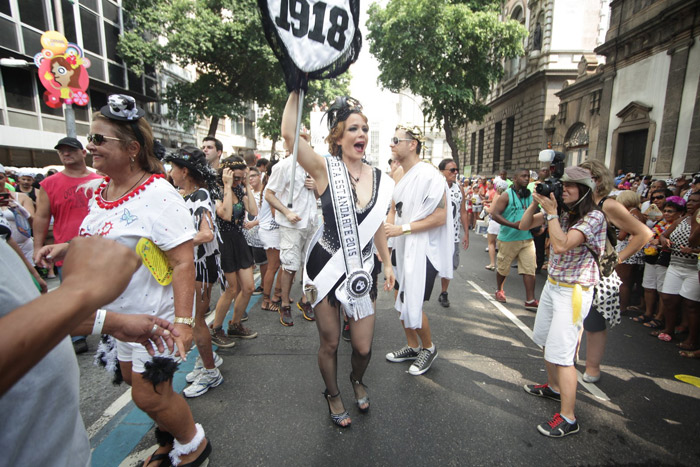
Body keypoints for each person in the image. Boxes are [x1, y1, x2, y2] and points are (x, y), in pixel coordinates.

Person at [37, 94, 211, 466]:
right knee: (139, 386)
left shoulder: (159, 194)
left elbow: (183, 261)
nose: (90, 146)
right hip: (121, 317)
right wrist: (66, 247)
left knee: (148, 396)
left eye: (99, 140)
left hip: (155, 317)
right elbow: (109, 239)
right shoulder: (102, 192)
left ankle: (194, 447)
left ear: (132, 149)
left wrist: (182, 324)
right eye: (91, 138)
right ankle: (167, 442)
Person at [1, 236, 181, 466]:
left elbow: (23, 318)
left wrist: (111, 322)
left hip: (53, 442)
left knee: (150, 393)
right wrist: (78, 292)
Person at [281, 92, 395, 428]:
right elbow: (290, 134)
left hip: (361, 269)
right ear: (338, 137)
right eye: (353, 129)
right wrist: (295, 86)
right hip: (325, 268)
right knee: (329, 342)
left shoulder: (380, 179)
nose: (361, 135)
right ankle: (333, 394)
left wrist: (387, 261)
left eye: (365, 129)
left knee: (362, 348)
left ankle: (357, 379)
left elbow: (375, 228)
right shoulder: (323, 169)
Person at [518, 166, 606, 437]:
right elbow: (523, 226)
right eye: (560, 185)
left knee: (564, 355)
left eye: (569, 186)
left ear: (585, 191)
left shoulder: (594, 217)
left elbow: (561, 245)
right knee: (546, 342)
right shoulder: (563, 212)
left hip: (574, 291)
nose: (562, 190)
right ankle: (553, 388)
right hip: (554, 285)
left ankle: (568, 418)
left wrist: (552, 213)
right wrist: (536, 201)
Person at [385, 124, 453, 377]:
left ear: (412, 144)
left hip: (423, 249)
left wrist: (401, 230)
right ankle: (413, 346)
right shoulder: (399, 174)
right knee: (399, 297)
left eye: (396, 139)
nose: (391, 144)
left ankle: (428, 347)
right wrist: (389, 240)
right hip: (401, 246)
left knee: (409, 299)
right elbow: (394, 208)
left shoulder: (429, 176)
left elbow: (440, 217)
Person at [166, 146, 232, 399]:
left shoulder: (200, 195)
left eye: (173, 168)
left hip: (200, 266)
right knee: (194, 320)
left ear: (185, 170)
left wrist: (176, 242)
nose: (170, 172)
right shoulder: (181, 194)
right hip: (188, 265)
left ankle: (210, 371)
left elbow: (207, 233)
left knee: (195, 321)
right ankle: (208, 357)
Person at [578, 160, 651, 383]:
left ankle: (592, 368)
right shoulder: (580, 201)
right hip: (575, 269)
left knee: (593, 321)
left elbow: (643, 234)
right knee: (574, 319)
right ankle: (568, 360)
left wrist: (617, 258)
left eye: (582, 176)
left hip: (598, 271)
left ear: (597, 179)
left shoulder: (608, 205)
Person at [33, 136, 102, 354]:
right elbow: (42, 217)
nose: (66, 153)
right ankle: (78, 334)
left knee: (106, 290)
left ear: (83, 153)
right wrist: (38, 247)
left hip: (99, 248)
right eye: (62, 151)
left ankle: (113, 329)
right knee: (73, 295)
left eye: (71, 149)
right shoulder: (49, 184)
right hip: (66, 249)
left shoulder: (100, 179)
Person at [265, 137, 319, 326]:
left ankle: (305, 300)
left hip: (311, 223)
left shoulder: (313, 167)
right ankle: (285, 303)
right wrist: (287, 212)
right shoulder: (283, 166)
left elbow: (320, 193)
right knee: (289, 265)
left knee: (310, 265)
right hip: (291, 226)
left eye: (307, 143)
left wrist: (317, 186)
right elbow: (268, 193)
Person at [210, 158, 259, 339]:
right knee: (231, 289)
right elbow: (226, 214)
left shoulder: (240, 187)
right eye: (236, 178)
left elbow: (253, 210)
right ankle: (216, 328)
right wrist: (228, 187)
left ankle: (235, 324)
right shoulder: (215, 190)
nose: (239, 181)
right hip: (224, 242)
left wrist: (246, 185)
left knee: (248, 287)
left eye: (241, 178)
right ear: (227, 174)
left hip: (239, 240)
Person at [653, 191, 700, 349]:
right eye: (690, 200)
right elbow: (663, 235)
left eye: (696, 201)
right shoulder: (681, 220)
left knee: (691, 305)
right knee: (668, 299)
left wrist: (694, 251)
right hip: (675, 264)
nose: (691, 203)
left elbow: (694, 242)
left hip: (693, 268)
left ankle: (692, 339)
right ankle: (668, 329)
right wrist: (664, 240)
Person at [490, 168, 538, 310]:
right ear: (515, 179)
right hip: (508, 238)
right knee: (503, 268)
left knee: (529, 269)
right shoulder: (506, 195)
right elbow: (495, 214)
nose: (526, 179)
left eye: (528, 176)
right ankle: (499, 290)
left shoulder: (530, 196)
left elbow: (536, 212)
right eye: (523, 176)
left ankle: (530, 299)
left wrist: (538, 226)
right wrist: (512, 225)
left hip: (527, 238)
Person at [634, 197, 686, 326]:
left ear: (680, 213)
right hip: (651, 257)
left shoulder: (680, 226)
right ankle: (648, 313)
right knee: (648, 286)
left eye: (671, 211)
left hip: (666, 259)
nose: (667, 214)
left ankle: (659, 317)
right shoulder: (660, 223)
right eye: (666, 211)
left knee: (662, 289)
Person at [437, 158, 469, 307]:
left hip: (453, 235)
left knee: (450, 265)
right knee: (431, 264)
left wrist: (466, 234)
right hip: (436, 235)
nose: (455, 173)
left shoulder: (459, 188)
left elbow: (463, 212)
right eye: (452, 170)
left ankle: (444, 292)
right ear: (442, 171)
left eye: (457, 170)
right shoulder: (435, 187)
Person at [614, 191, 647, 313]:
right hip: (635, 250)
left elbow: (622, 235)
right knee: (628, 280)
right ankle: (624, 305)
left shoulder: (631, 215)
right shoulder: (638, 213)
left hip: (627, 250)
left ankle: (622, 307)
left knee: (623, 281)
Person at [258, 162, 283, 312]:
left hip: (271, 231)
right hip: (270, 231)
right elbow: (275, 214)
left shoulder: (270, 187)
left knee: (279, 265)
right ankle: (266, 300)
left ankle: (278, 294)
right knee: (272, 267)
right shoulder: (271, 189)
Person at [0, 166, 35, 264]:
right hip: (3, 249)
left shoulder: (21, 197)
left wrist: (21, 210)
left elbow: (34, 224)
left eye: (0, 178)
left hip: (25, 246)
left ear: (5, 178)